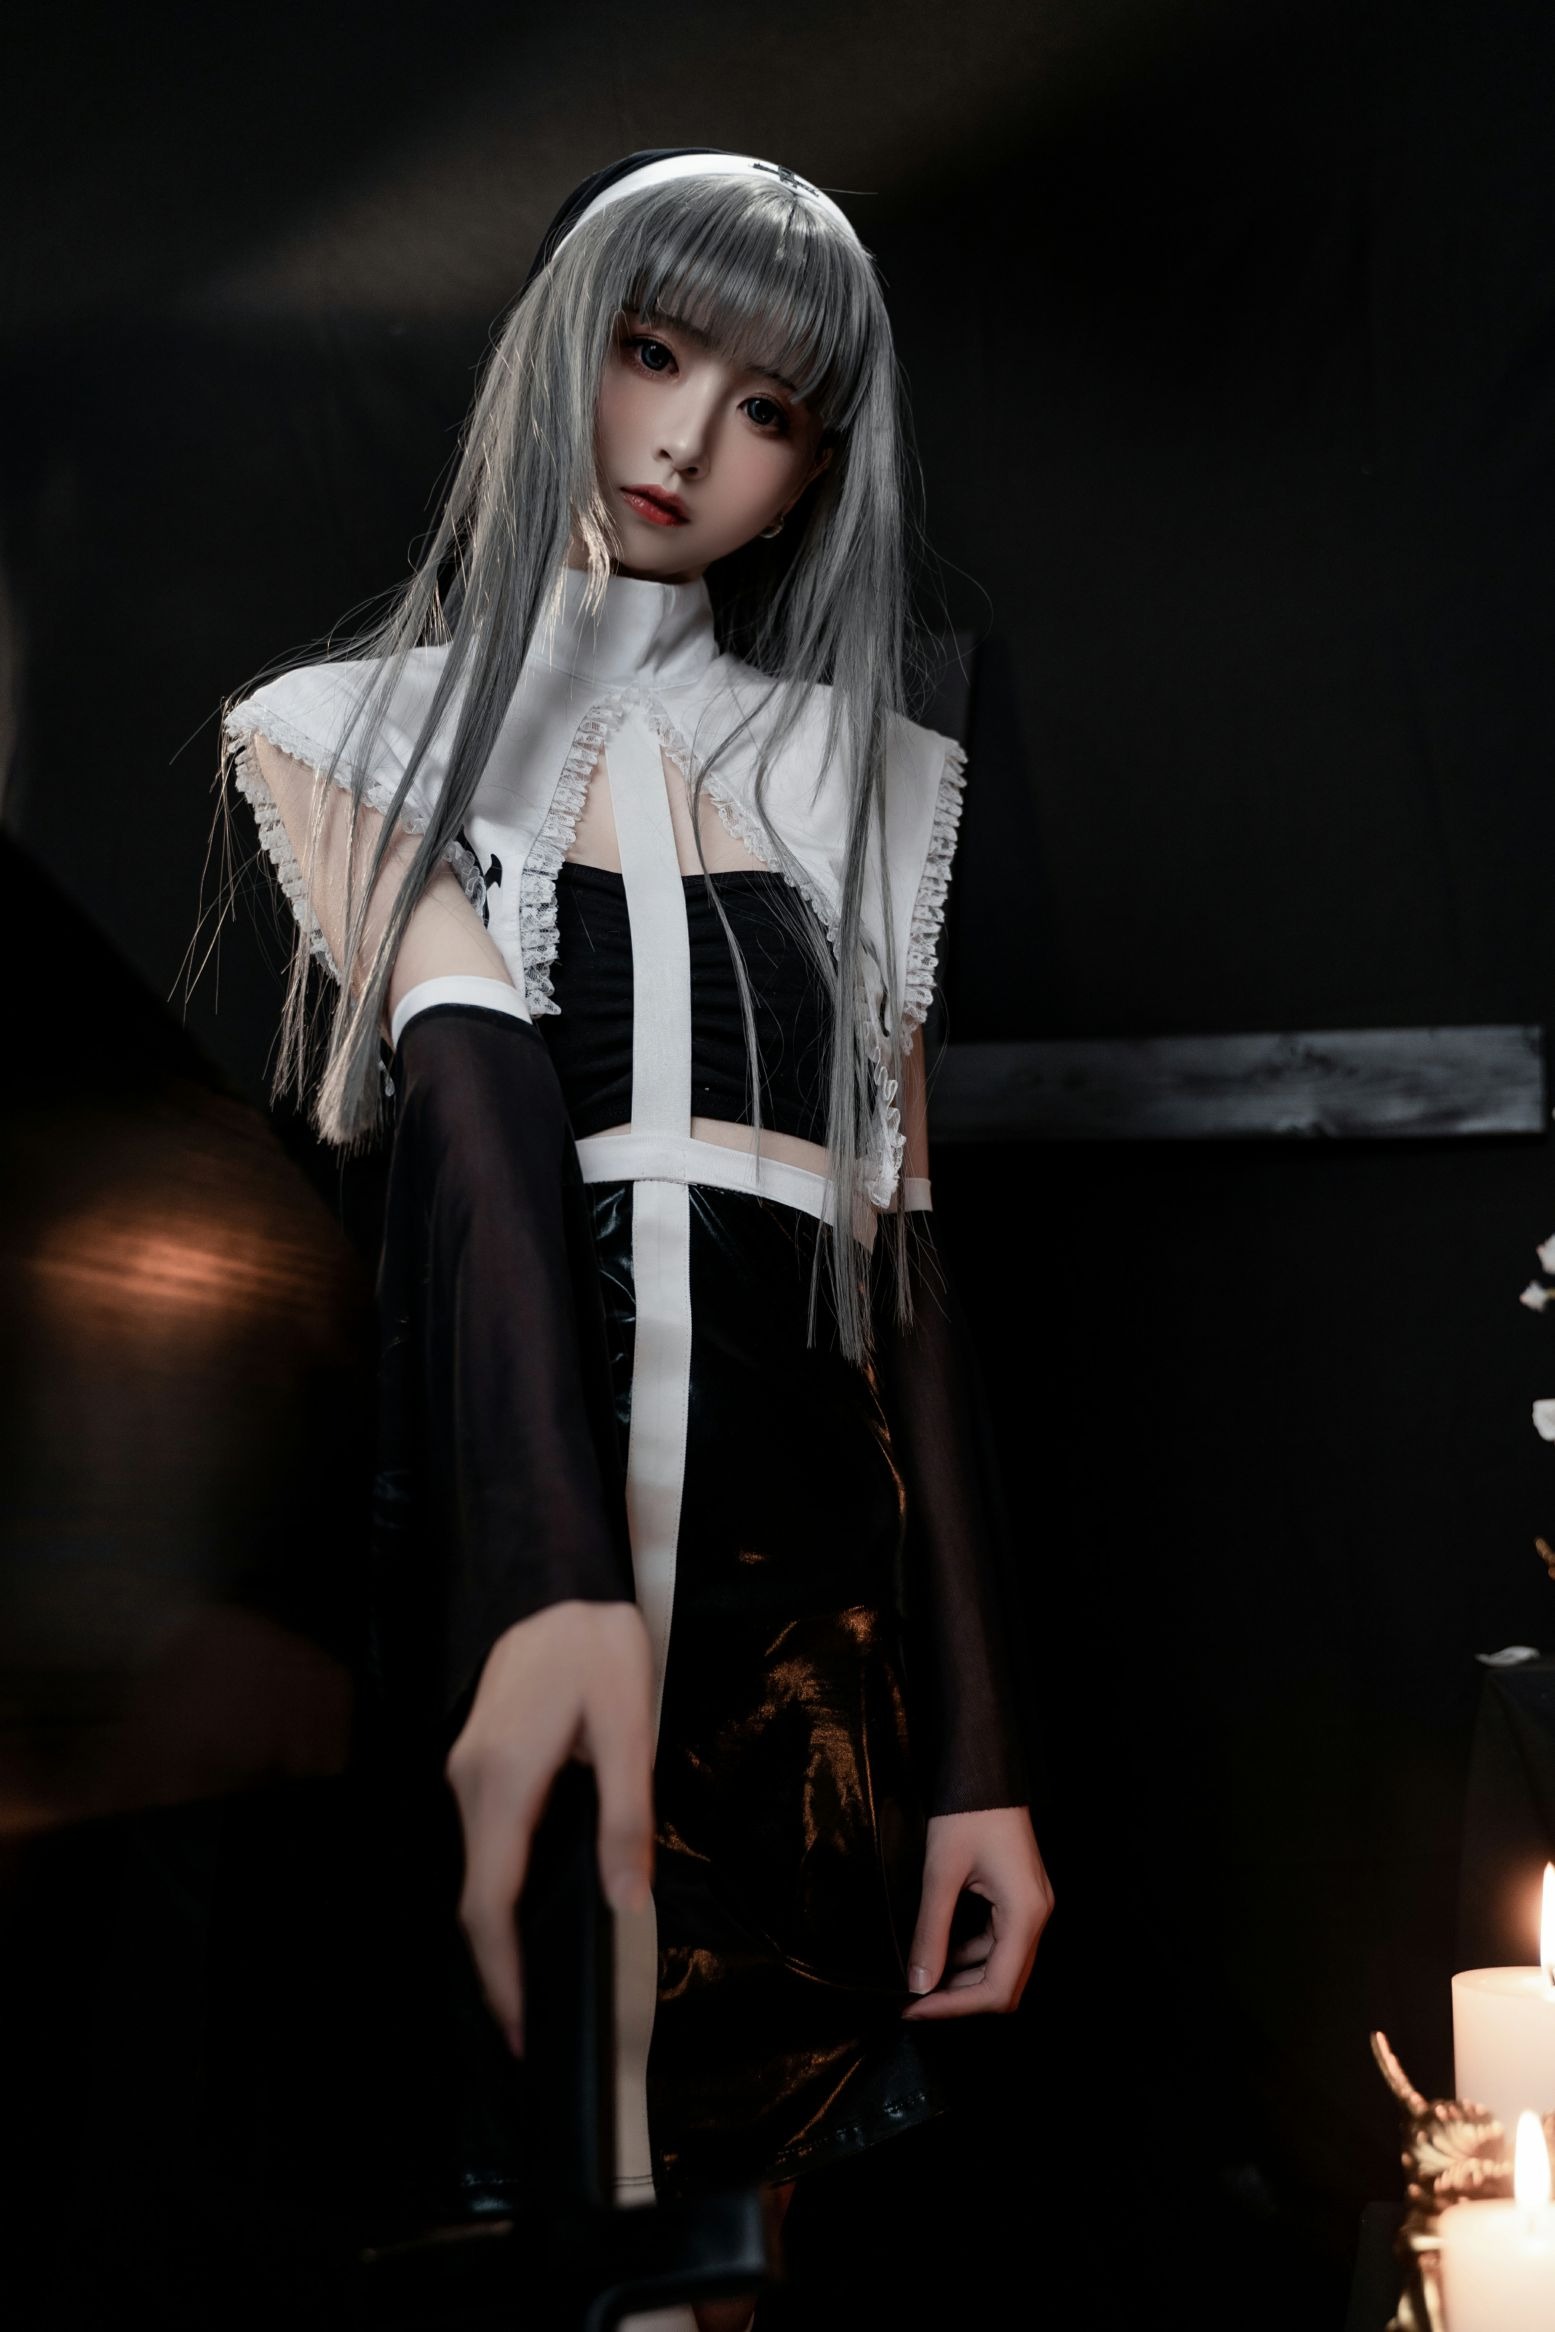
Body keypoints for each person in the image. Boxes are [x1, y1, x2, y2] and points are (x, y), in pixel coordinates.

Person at [216, 147, 1054, 2330]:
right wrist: (550, 1573)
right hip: (514, 1515)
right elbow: (482, 1108)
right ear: (558, 350)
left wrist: (980, 1762)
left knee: (734, 2215)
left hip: (807, 1614)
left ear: (818, 466)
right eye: (649, 353)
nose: (683, 440)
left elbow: (905, 1266)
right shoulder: (350, 731)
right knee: (536, 2179)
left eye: (766, 407)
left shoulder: (870, 776)